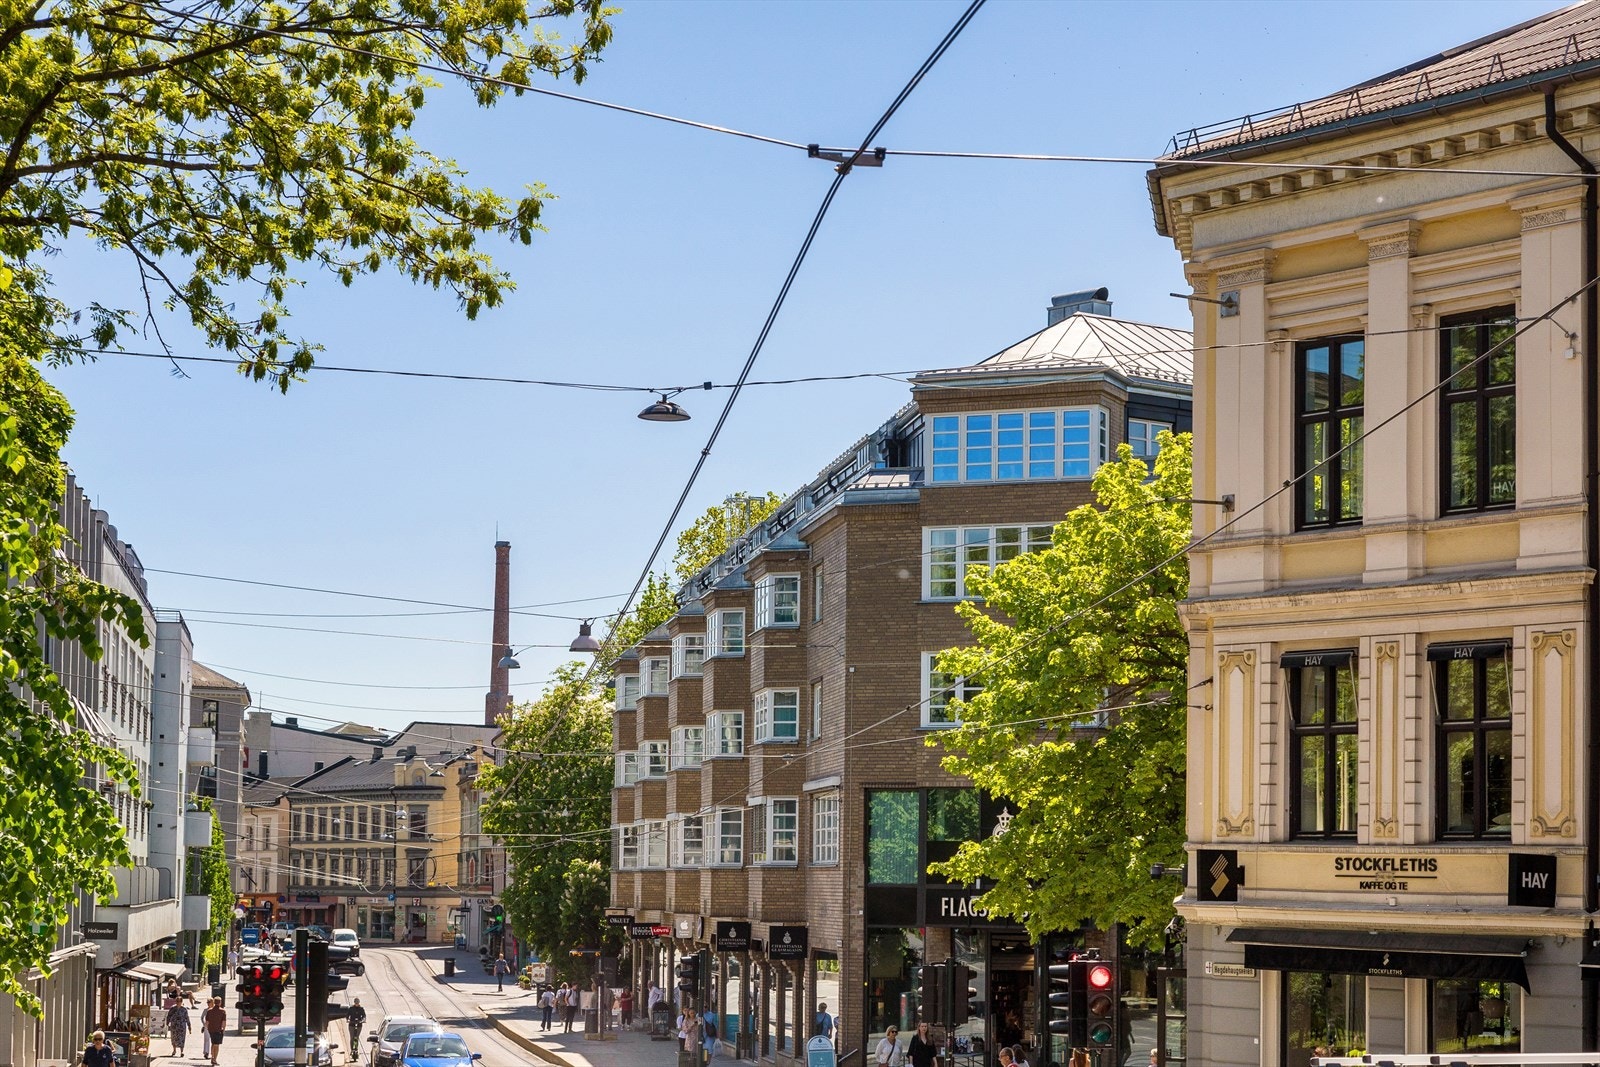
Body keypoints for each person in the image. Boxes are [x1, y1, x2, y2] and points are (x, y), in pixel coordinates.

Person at [203, 997, 227, 1065]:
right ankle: (214, 1059)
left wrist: (207, 1028)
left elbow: (207, 1022)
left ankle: (212, 1057)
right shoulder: (222, 1011)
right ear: (220, 1002)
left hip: (211, 1030)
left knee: (213, 1043)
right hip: (218, 1030)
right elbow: (224, 1022)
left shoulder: (209, 1011)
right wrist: (223, 1030)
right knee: (216, 1045)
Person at [346, 998, 367, 1064]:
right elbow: (347, 1015)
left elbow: (364, 1016)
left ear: (359, 1003)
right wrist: (347, 1019)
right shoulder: (351, 1008)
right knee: (352, 1037)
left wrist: (362, 1020)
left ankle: (356, 1049)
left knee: (356, 1037)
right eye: (355, 1003)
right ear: (354, 1003)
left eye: (357, 1003)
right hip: (351, 1024)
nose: (356, 1004)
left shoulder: (361, 1009)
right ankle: (352, 1049)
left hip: (359, 1025)